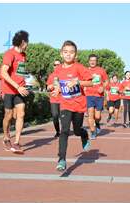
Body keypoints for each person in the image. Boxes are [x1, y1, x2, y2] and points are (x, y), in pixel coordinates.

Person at [52, 40, 93, 171]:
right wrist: (57, 89)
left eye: (71, 52)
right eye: (65, 52)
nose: (68, 55)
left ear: (75, 54)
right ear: (61, 53)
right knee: (64, 130)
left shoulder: (79, 67)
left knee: (76, 130)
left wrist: (78, 82)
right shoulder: (58, 69)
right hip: (65, 104)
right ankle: (62, 159)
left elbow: (92, 82)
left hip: (79, 105)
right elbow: (57, 83)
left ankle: (83, 134)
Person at [0, 30, 30, 153]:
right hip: (9, 90)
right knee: (8, 116)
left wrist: (23, 84)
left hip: (20, 90)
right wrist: (17, 86)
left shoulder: (23, 55)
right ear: (23, 42)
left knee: (21, 113)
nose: (28, 44)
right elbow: (3, 73)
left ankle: (17, 142)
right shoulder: (9, 54)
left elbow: (19, 73)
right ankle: (6, 138)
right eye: (27, 42)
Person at [85, 54, 109, 139]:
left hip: (99, 96)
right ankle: (92, 132)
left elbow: (106, 81)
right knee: (90, 115)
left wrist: (103, 87)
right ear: (89, 61)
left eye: (94, 60)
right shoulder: (85, 71)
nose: (92, 62)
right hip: (89, 95)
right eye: (91, 60)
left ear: (96, 61)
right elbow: (82, 82)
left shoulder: (101, 70)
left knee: (97, 116)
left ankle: (97, 123)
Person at [46, 60, 62, 138]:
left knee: (64, 117)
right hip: (54, 99)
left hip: (63, 99)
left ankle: (64, 131)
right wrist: (50, 87)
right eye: (55, 65)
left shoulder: (64, 75)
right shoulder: (51, 76)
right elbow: (48, 88)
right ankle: (58, 131)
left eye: (58, 64)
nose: (56, 66)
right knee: (55, 116)